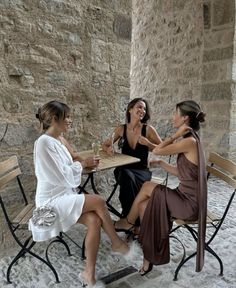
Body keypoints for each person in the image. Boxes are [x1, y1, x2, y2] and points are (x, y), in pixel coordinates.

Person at [28, 100, 130, 288]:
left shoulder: (58, 139)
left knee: (94, 220)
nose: (70, 120)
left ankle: (88, 273)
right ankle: (116, 242)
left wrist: (84, 161)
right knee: (99, 201)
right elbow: (61, 175)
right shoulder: (43, 143)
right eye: (67, 117)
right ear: (54, 119)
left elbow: (71, 159)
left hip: (64, 195)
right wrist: (82, 165)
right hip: (50, 202)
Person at [114, 100, 207, 275]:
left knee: (148, 186)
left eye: (175, 114)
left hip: (190, 205)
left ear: (185, 118)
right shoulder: (189, 139)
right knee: (143, 206)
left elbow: (157, 149)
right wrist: (163, 164)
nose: (173, 117)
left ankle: (128, 222)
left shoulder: (189, 141)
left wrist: (173, 136)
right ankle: (148, 258)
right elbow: (183, 173)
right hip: (182, 197)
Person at [102, 98, 162, 221]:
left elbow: (163, 148)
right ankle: (134, 221)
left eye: (144, 108)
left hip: (142, 171)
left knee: (128, 180)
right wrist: (108, 149)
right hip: (123, 169)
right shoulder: (121, 129)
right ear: (130, 110)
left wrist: (148, 144)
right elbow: (104, 144)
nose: (142, 110)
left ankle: (127, 219)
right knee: (126, 175)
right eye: (139, 107)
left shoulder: (148, 130)